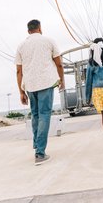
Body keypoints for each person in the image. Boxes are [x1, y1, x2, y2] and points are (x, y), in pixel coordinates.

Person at [15, 19, 65, 165]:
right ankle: (40, 153)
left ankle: (37, 144)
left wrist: (21, 92)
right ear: (40, 28)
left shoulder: (21, 46)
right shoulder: (49, 41)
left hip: (30, 85)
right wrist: (61, 80)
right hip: (46, 82)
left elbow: (18, 71)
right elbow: (59, 63)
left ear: (28, 30)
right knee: (44, 115)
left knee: (35, 115)